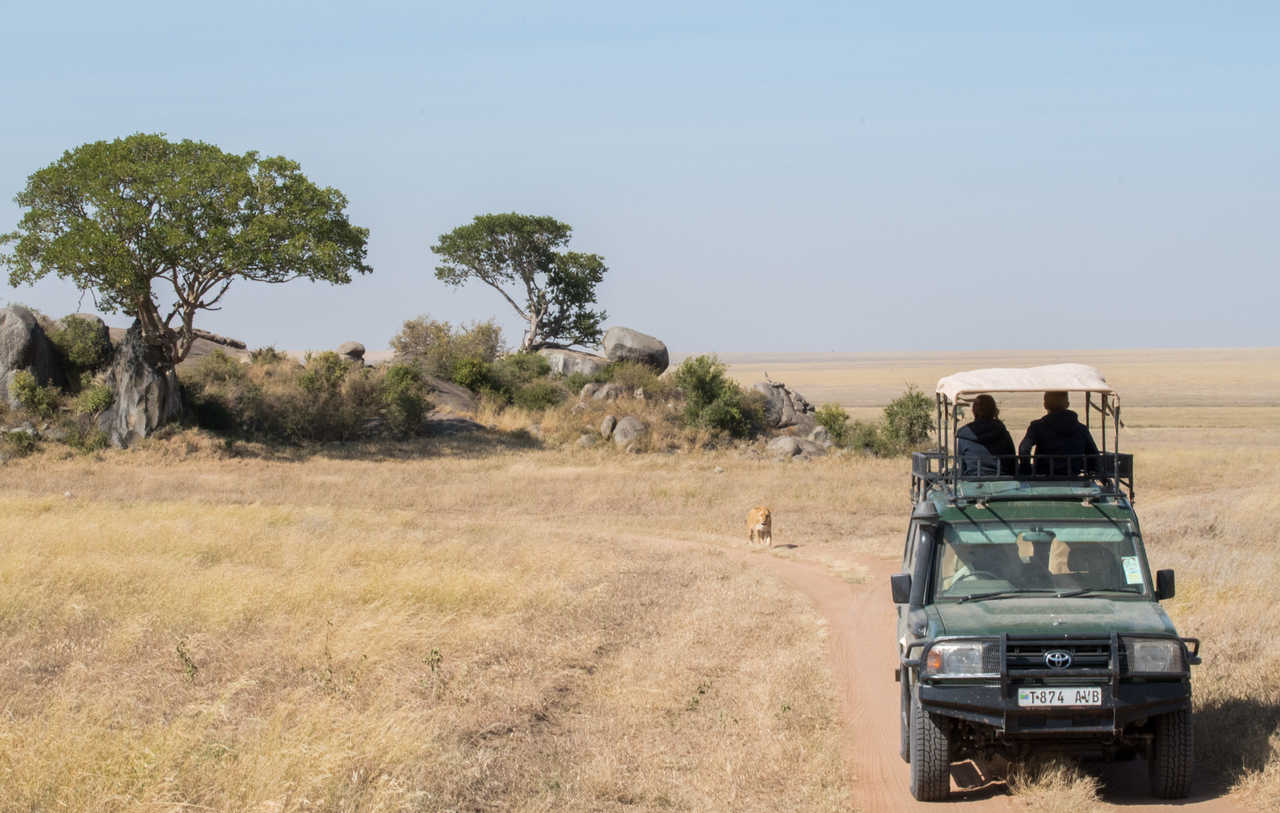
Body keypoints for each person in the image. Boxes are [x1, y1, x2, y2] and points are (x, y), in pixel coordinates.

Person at [1018, 391, 1099, 476]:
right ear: (1067, 404)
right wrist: (1091, 470)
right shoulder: (1081, 429)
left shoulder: (1037, 426)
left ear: (1045, 405)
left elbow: (1024, 448)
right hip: (1073, 476)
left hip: (1043, 477)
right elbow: (1093, 454)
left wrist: (1026, 469)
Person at [957, 394, 1016, 475]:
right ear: (994, 410)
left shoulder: (964, 436)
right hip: (1002, 478)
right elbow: (1012, 462)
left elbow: (962, 464)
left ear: (973, 411)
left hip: (973, 479)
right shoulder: (1003, 433)